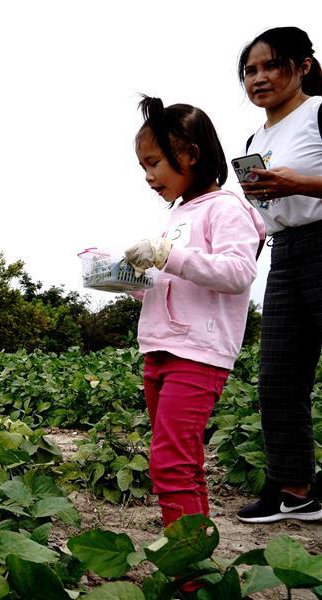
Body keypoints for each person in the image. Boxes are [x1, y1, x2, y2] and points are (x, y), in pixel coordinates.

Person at [124, 96, 265, 529]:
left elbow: (239, 272)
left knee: (168, 465)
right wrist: (131, 282)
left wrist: (168, 255)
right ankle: (198, 562)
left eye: (154, 163)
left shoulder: (227, 208)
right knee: (185, 463)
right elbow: (176, 280)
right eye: (143, 167)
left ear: (190, 154)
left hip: (198, 354)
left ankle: (190, 579)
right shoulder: (179, 214)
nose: (148, 176)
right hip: (161, 349)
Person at [233, 26, 322, 524]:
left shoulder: (318, 113)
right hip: (285, 253)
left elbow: (303, 188)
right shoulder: (256, 137)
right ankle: (295, 490)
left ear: (304, 65)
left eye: (271, 66)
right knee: (278, 379)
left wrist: (298, 182)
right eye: (250, 71)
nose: (259, 78)